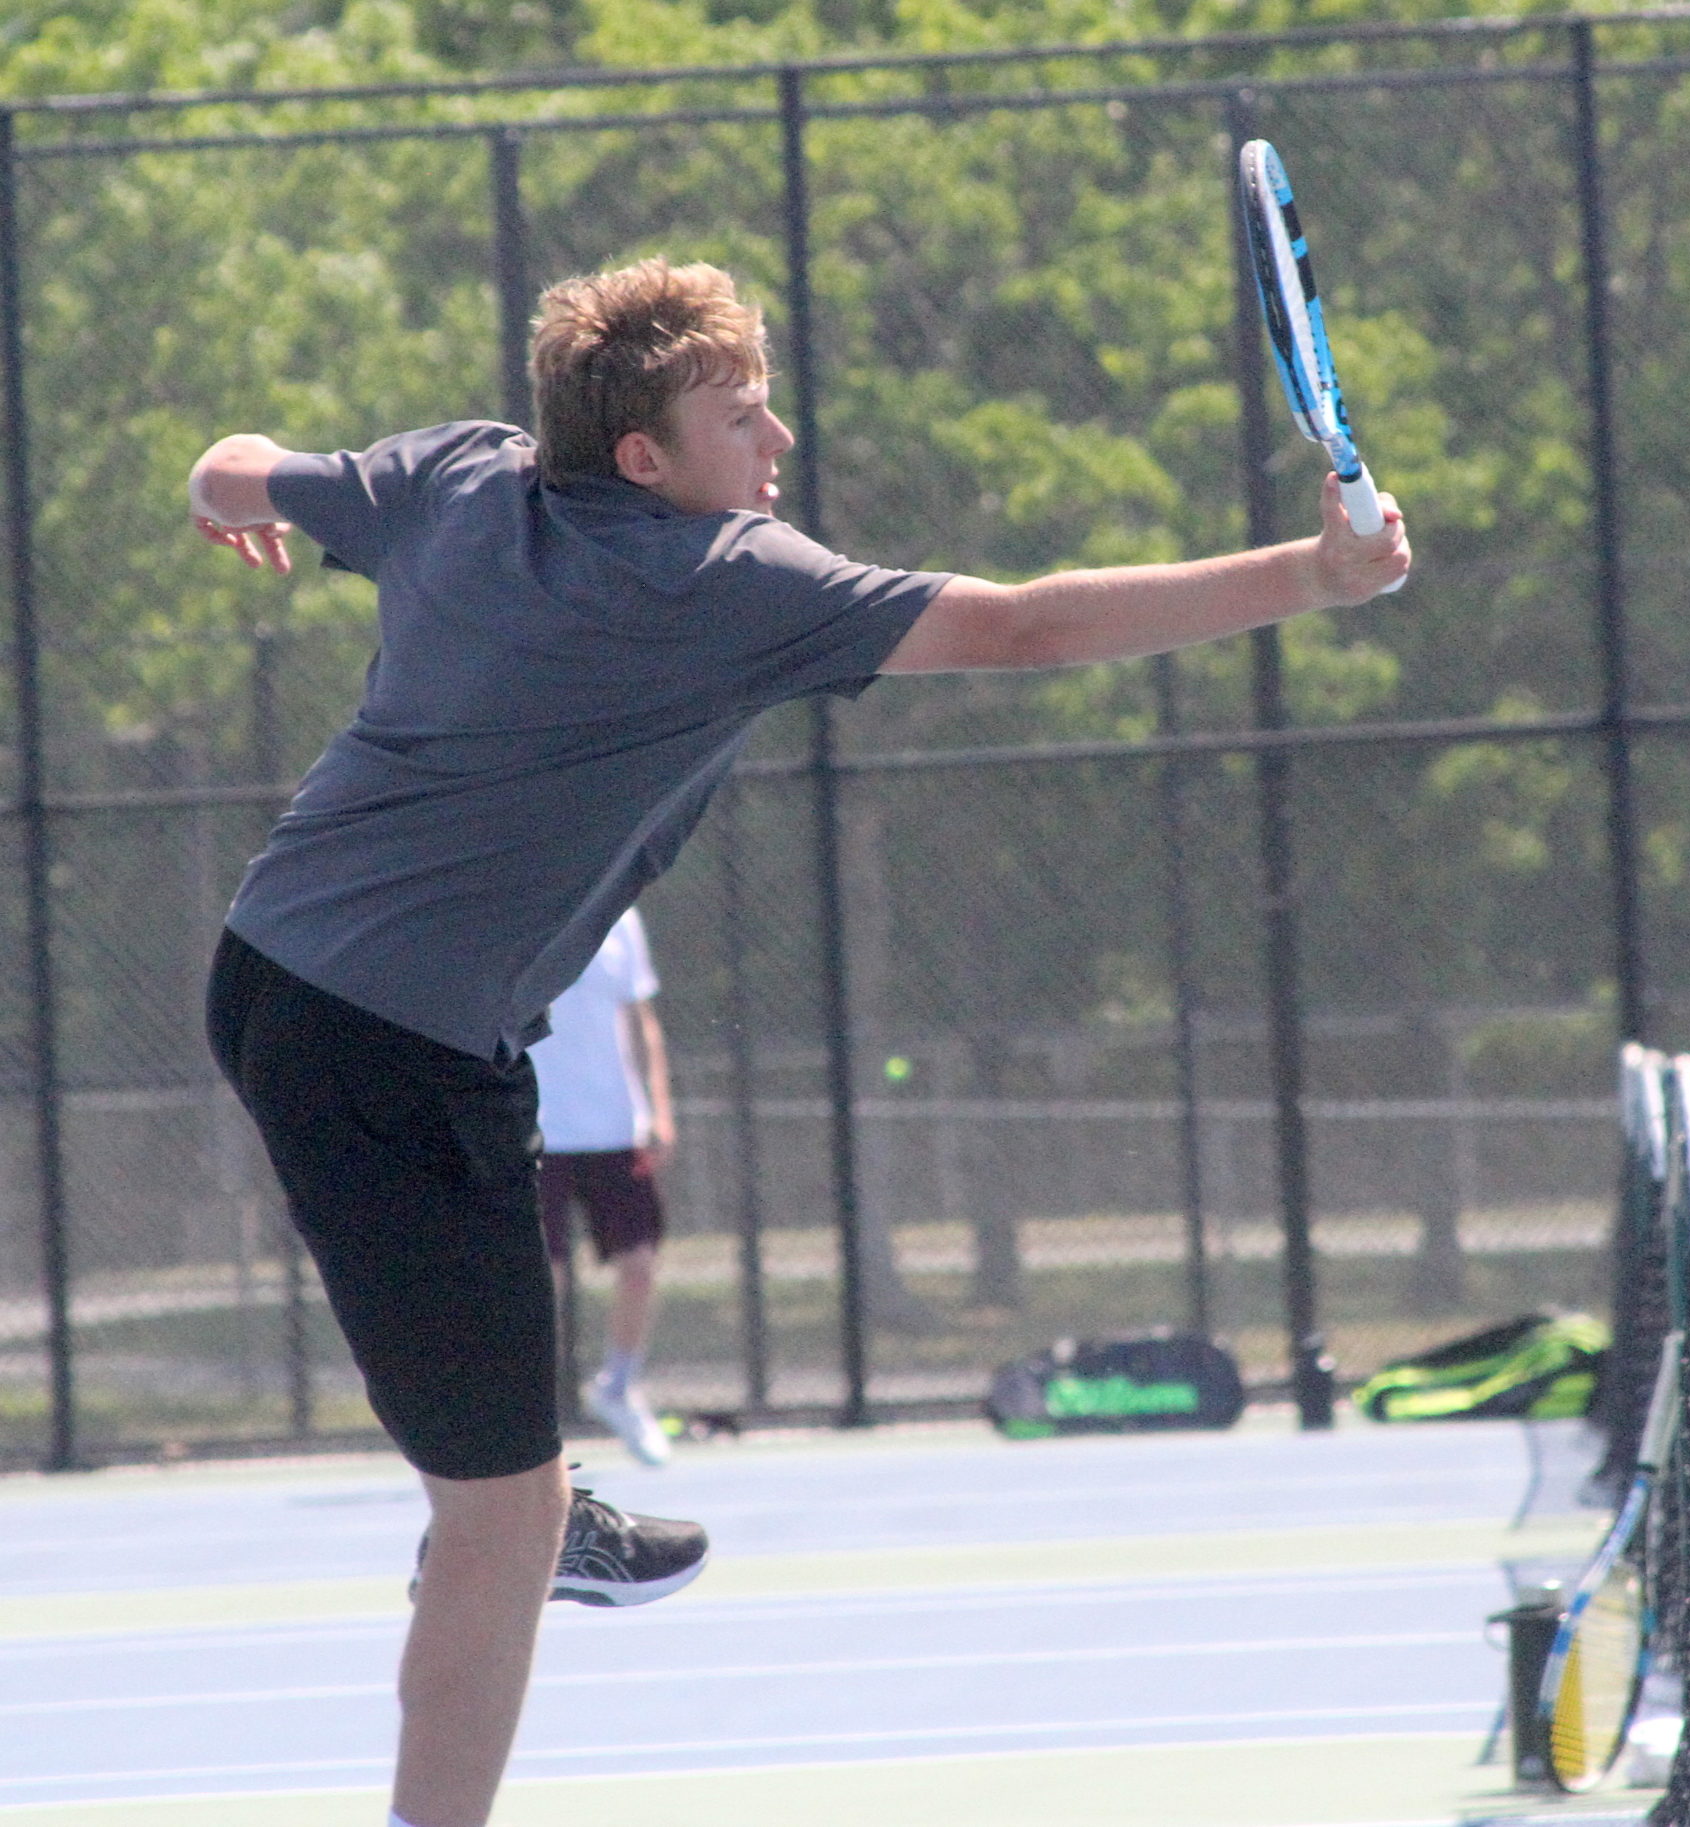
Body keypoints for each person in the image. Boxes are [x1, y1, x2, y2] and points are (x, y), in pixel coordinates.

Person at [193, 256, 1408, 1827]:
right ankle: (501, 1575)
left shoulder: (460, 472)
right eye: (741, 415)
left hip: (276, 962)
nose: (777, 444)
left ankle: (518, 1509)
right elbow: (1024, 630)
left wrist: (241, 492)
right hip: (387, 1048)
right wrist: (1311, 575)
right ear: (646, 459)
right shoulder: (719, 579)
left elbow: (234, 461)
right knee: (497, 1516)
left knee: (500, 1480)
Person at [531, 905, 679, 1465]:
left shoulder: (623, 916)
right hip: (536, 1129)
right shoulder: (512, 902)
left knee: (639, 1264)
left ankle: (617, 1387)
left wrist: (658, 1111)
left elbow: (642, 1021)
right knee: (539, 1279)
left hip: (616, 1129)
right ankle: (520, 1418)